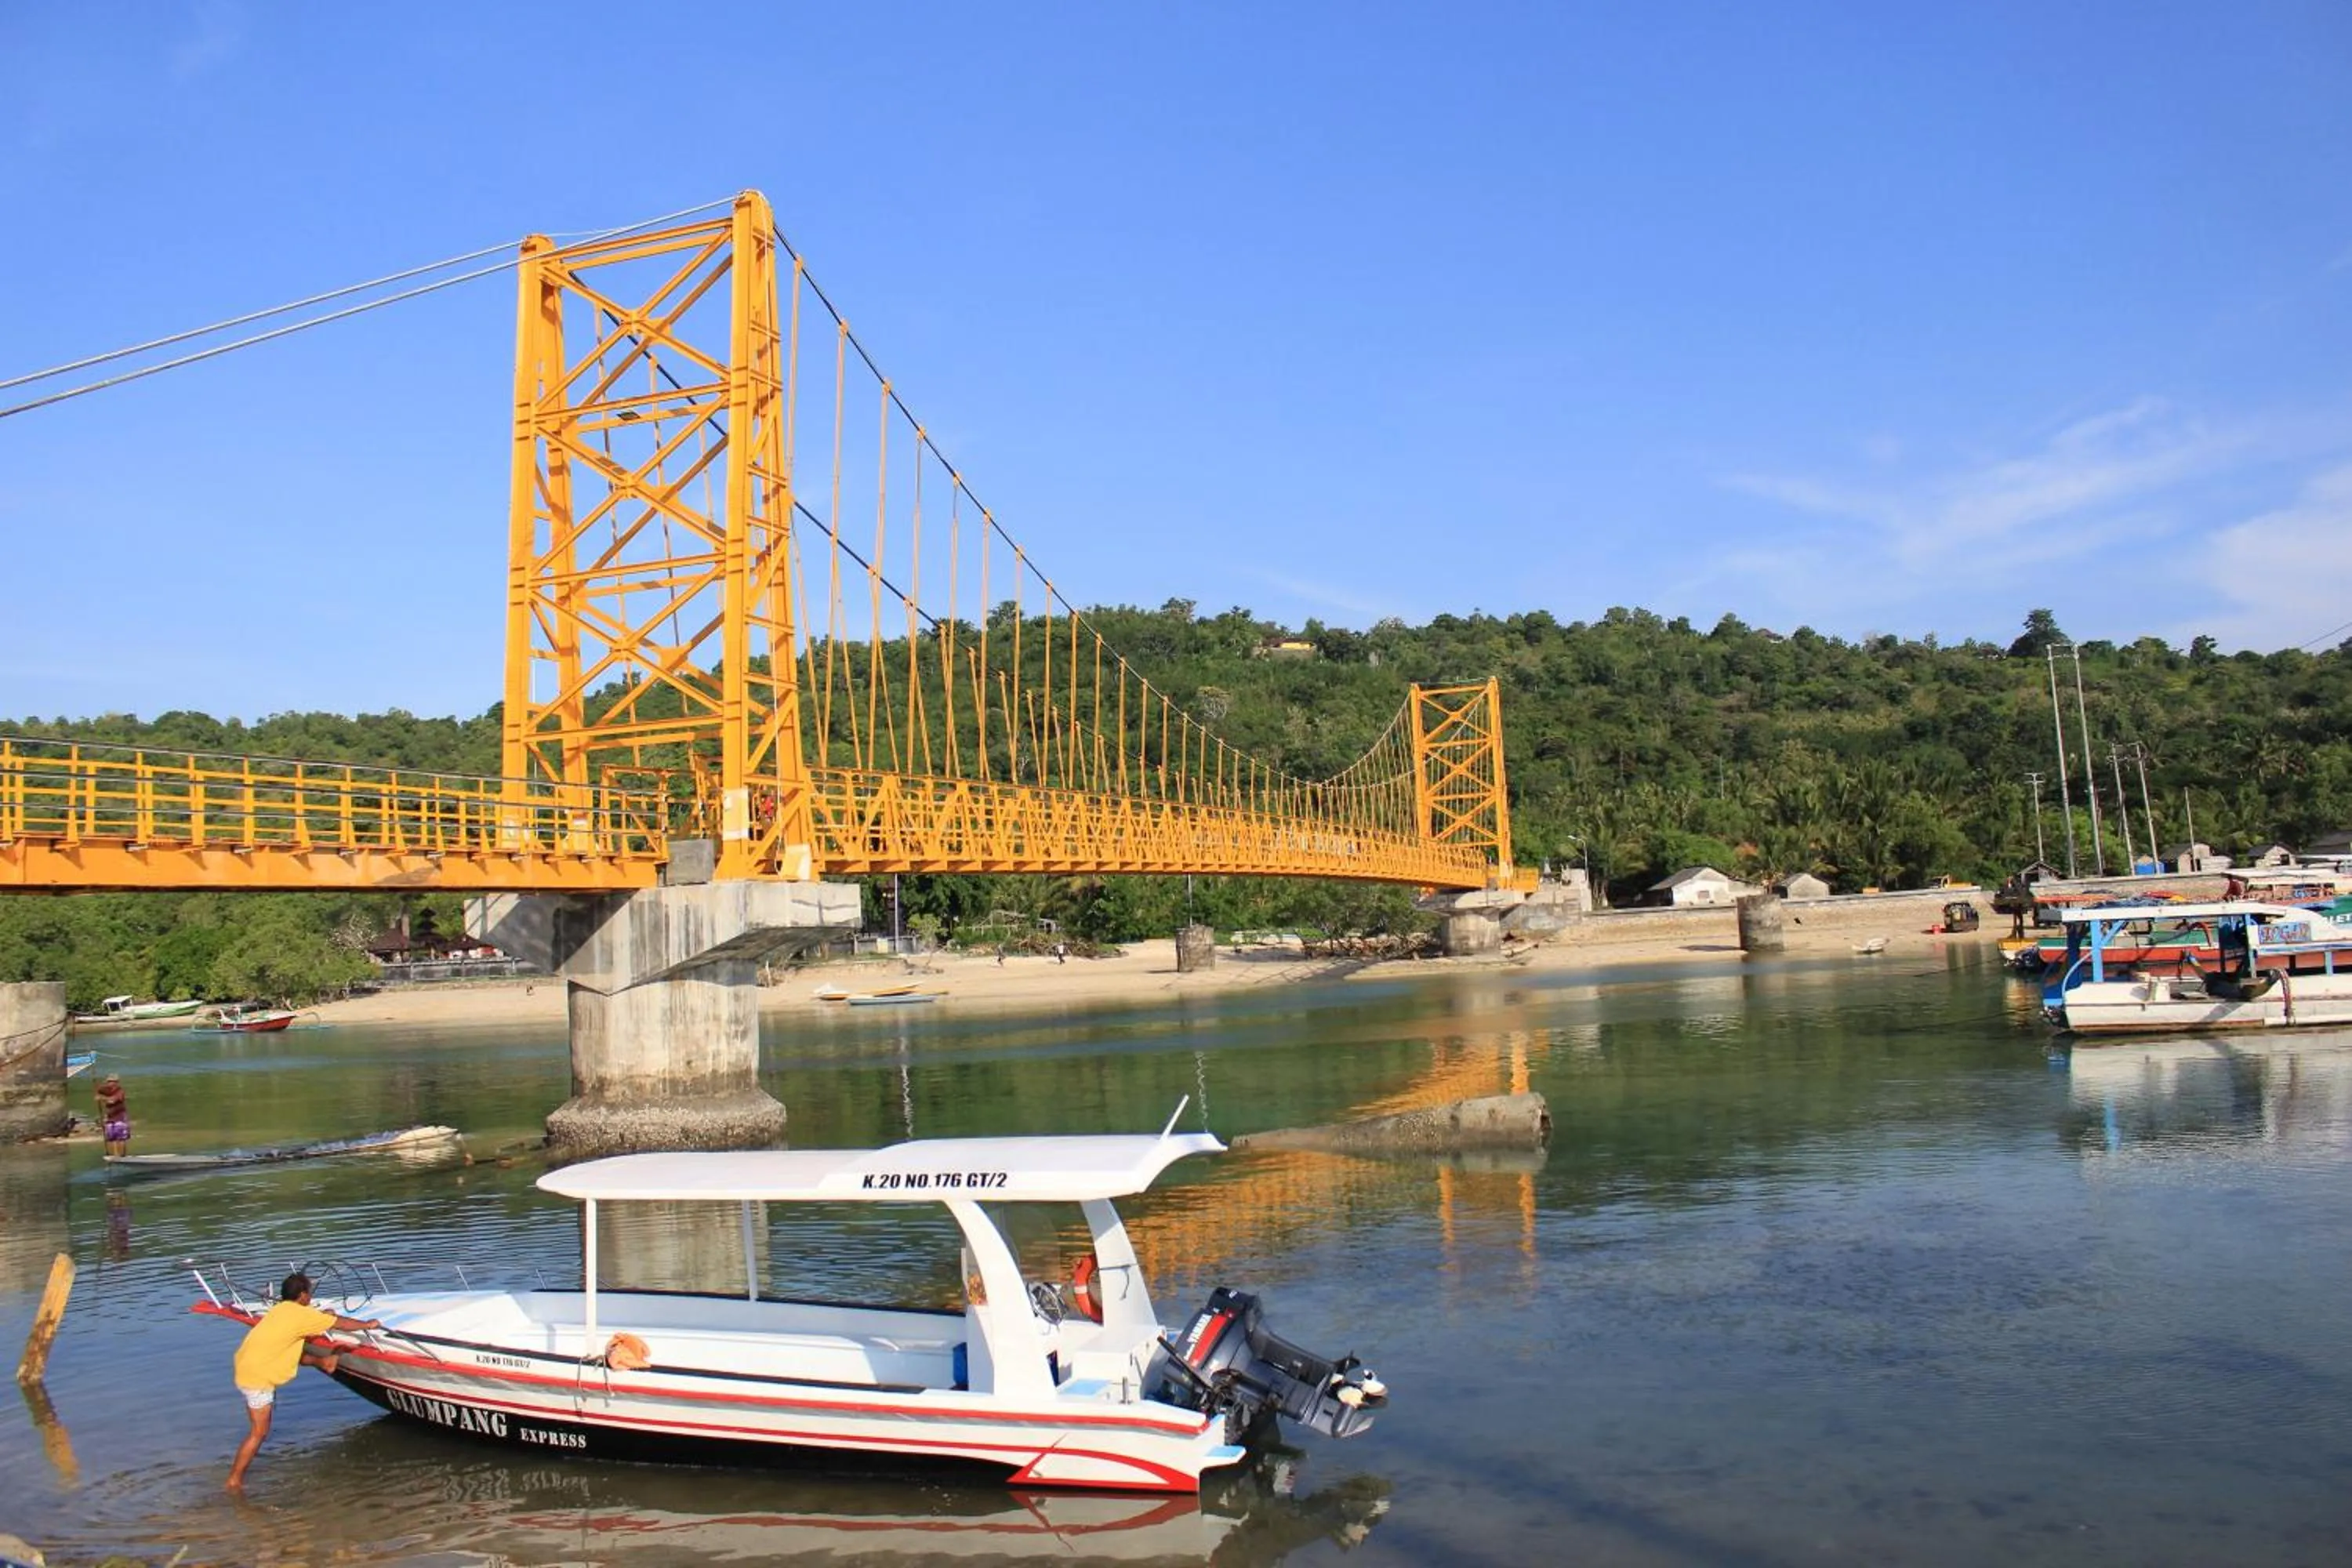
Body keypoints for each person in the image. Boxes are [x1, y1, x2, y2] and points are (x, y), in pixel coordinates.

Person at [227, 1272, 380, 1490]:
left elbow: (311, 1319)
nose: (310, 1296)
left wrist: (322, 1315)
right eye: (309, 1292)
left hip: (246, 1365)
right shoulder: (302, 1316)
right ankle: (234, 1481)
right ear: (302, 1296)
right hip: (257, 1378)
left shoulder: (281, 1310)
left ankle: (325, 1362)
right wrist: (368, 1325)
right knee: (259, 1433)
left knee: (292, 1349)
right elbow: (341, 1323)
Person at [94, 1074, 129, 1157]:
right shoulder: (107, 1090)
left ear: (116, 1082)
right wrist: (97, 1087)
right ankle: (115, 1155)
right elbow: (99, 1090)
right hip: (110, 1117)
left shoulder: (120, 1091)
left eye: (112, 1082)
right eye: (109, 1082)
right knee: (112, 1137)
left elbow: (112, 1101)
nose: (110, 1083)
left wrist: (101, 1098)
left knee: (121, 1137)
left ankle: (122, 1156)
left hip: (120, 1117)